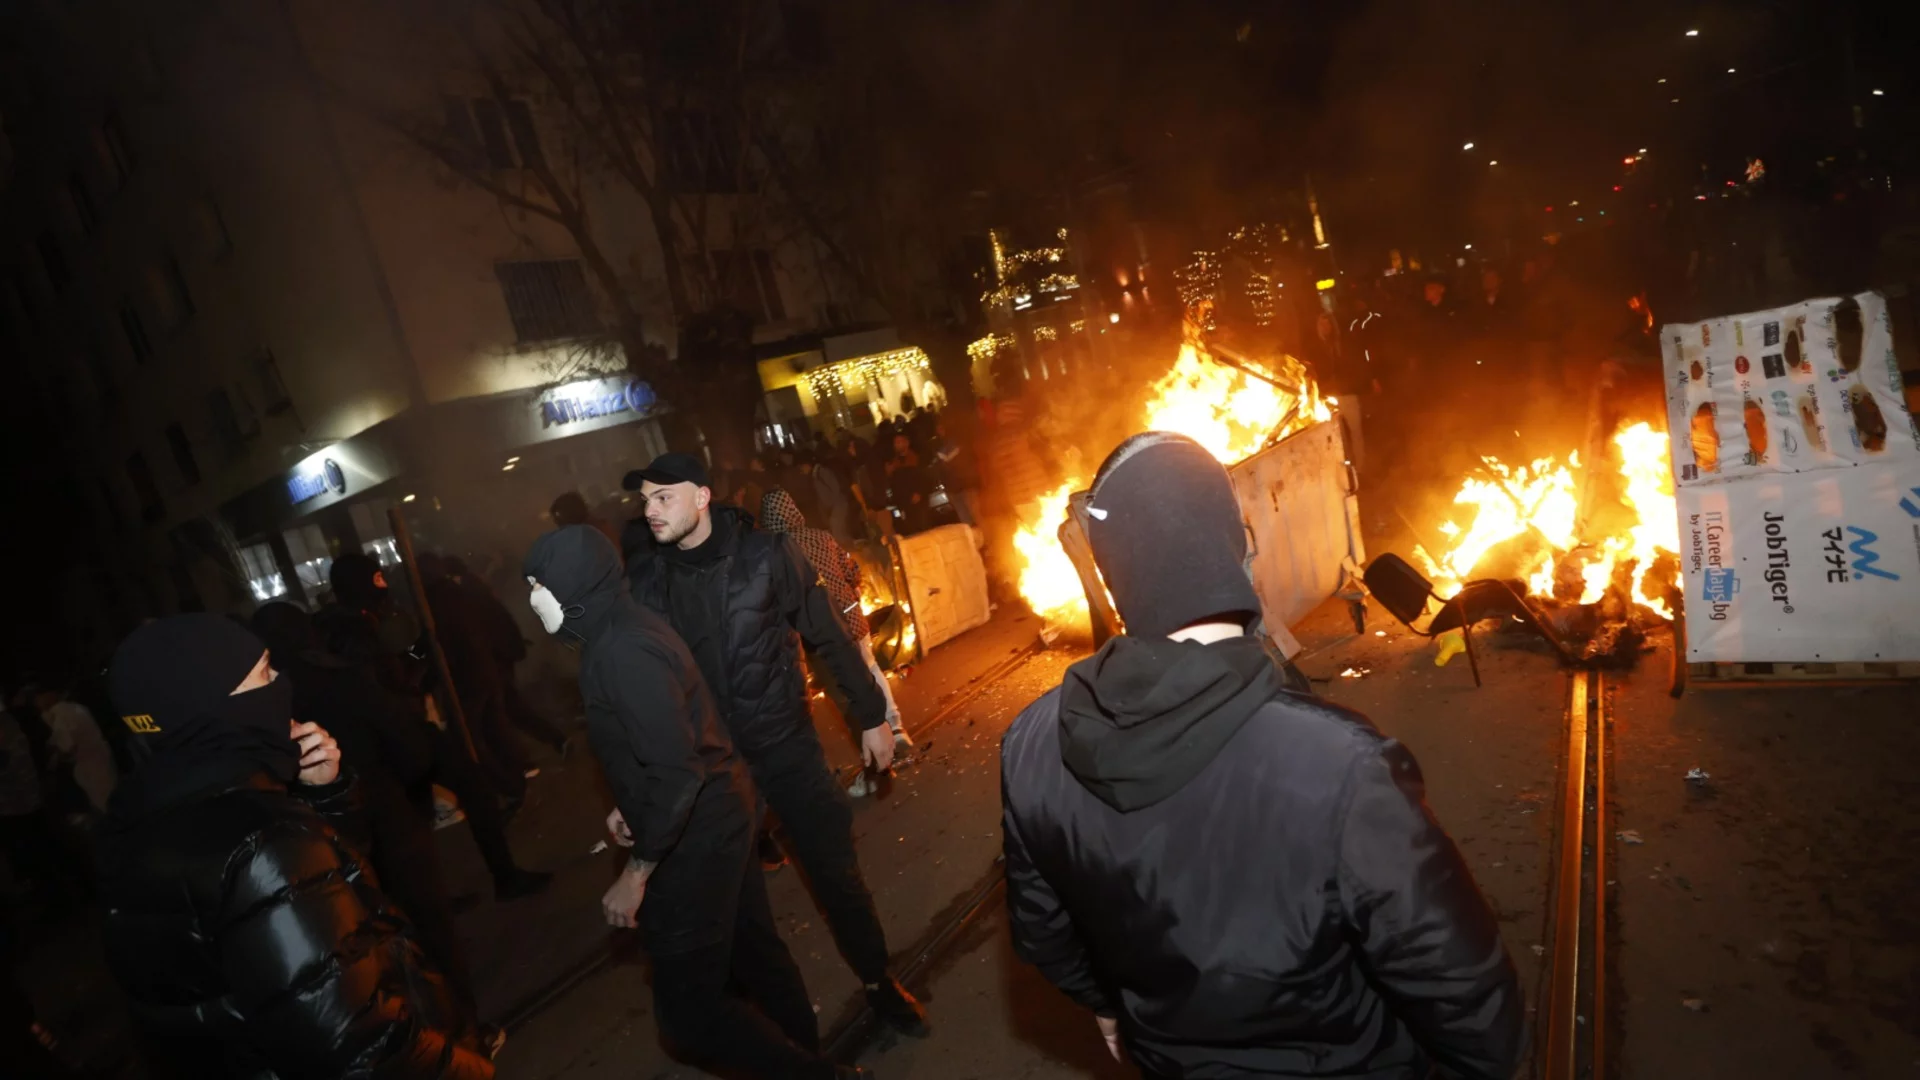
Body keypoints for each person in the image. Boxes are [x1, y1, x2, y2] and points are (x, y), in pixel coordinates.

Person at [1000, 432, 1524, 1080]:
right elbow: (1469, 1002)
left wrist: (1111, 1009)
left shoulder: (1029, 747)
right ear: (1236, 547)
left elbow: (1044, 935)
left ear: (1113, 575)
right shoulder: (1346, 769)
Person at [525, 526, 869, 1079]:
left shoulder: (620, 650)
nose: (534, 596)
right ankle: (809, 1058)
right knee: (757, 957)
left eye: (540, 583)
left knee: (688, 1017)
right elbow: (673, 735)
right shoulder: (619, 630)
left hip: (698, 839)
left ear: (574, 582)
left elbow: (678, 772)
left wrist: (636, 874)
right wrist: (630, 802)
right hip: (722, 813)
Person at [94, 614, 494, 1078]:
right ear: (211, 702)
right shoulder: (261, 838)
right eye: (264, 672)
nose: (281, 682)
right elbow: (362, 1046)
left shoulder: (129, 829)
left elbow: (312, 916)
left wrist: (326, 798)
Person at [628, 452, 930, 1037]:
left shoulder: (767, 555)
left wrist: (870, 715)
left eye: (663, 497)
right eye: (644, 501)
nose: (651, 510)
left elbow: (827, 632)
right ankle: (791, 1039)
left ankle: (878, 981)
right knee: (741, 910)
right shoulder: (649, 581)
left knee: (836, 876)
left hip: (786, 749)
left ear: (702, 497)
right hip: (715, 770)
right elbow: (641, 687)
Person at [251, 601, 486, 1039]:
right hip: (387, 823)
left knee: (370, 955)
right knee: (431, 936)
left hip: (312, 851)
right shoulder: (340, 679)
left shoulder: (263, 711)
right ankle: (464, 1034)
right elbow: (410, 751)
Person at [319, 554, 550, 901]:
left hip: (400, 731)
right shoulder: (349, 631)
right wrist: (410, 673)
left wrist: (417, 653)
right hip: (390, 737)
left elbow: (404, 658)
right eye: (376, 578)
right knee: (428, 816)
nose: (383, 584)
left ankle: (495, 878)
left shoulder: (369, 619)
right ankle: (468, 890)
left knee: (452, 799)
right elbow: (379, 681)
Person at [759, 489, 908, 794]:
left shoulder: (780, 551)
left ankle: (876, 770)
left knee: (848, 696)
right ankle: (895, 728)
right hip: (854, 620)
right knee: (870, 672)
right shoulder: (820, 535)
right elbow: (852, 570)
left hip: (823, 634)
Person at [35, 686, 116, 817]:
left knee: (105, 803)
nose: (36, 704)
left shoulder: (60, 716)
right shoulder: (75, 707)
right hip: (101, 757)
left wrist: (54, 759)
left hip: (90, 766)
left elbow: (67, 748)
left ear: (47, 696)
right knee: (112, 796)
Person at [883, 433, 934, 534]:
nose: (897, 445)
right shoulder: (894, 463)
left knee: (924, 527)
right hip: (904, 502)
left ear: (907, 443)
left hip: (918, 500)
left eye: (899, 442)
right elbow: (895, 484)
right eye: (895, 443)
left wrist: (919, 492)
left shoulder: (916, 458)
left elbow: (924, 478)